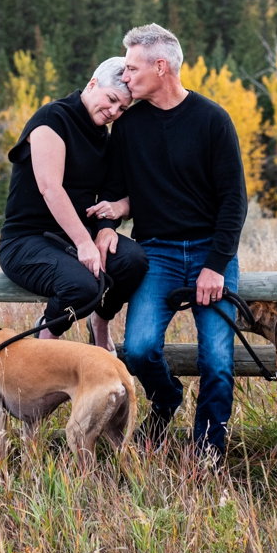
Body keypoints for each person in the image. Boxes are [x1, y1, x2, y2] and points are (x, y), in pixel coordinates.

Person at [91, 22, 248, 456]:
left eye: (131, 68)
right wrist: (107, 225)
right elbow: (114, 188)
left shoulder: (212, 120)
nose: (125, 77)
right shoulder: (127, 126)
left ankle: (207, 454)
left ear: (161, 67)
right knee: (139, 350)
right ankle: (167, 398)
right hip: (156, 252)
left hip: (210, 253)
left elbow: (234, 203)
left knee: (217, 361)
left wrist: (215, 265)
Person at [0, 58, 149, 350]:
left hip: (77, 234)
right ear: (93, 84)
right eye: (112, 99)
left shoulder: (105, 137)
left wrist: (107, 226)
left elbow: (114, 193)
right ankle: (45, 345)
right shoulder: (53, 118)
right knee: (81, 286)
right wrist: (84, 243)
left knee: (132, 261)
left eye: (122, 109)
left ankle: (100, 323)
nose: (114, 112)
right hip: (27, 239)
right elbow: (49, 187)